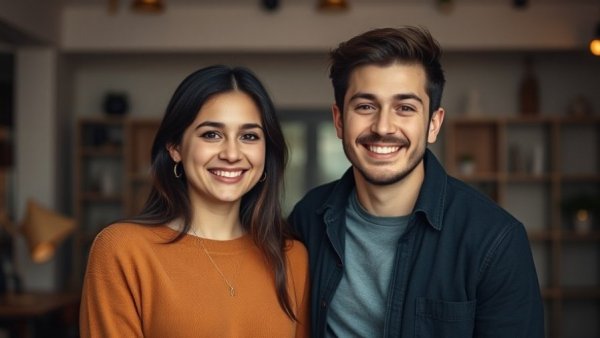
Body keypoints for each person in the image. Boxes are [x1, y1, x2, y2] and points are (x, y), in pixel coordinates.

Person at [288, 26, 544, 338]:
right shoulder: (307, 218)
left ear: (433, 124)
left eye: (405, 108)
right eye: (365, 106)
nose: (383, 127)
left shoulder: (495, 239)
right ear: (340, 120)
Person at [80, 65, 309, 338]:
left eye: (249, 136)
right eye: (211, 134)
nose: (232, 154)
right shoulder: (123, 249)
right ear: (175, 147)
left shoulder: (291, 256)